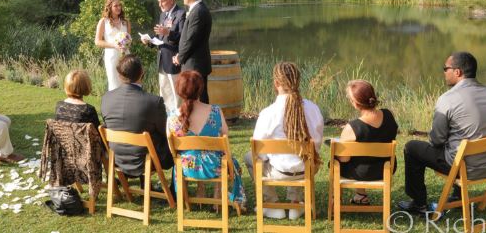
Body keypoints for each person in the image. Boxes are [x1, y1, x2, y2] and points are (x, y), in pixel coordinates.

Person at [398, 52, 486, 215]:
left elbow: (436, 140)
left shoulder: (448, 99)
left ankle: (418, 203)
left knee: (412, 147)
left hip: (464, 167)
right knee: (460, 143)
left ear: (457, 72)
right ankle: (456, 196)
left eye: (445, 68)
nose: (444, 73)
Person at [244, 61, 324, 220]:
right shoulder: (313, 108)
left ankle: (272, 203)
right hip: (306, 170)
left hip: (278, 172)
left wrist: (269, 157)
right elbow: (318, 143)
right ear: (298, 81)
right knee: (302, 158)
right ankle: (296, 203)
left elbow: (258, 150)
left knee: (249, 157)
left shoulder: (268, 113)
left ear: (276, 83)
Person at [167, 71, 246, 207]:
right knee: (225, 158)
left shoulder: (172, 117)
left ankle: (202, 189)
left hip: (186, 167)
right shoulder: (215, 111)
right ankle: (218, 192)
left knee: (197, 154)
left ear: (179, 90)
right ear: (200, 89)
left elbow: (172, 149)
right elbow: (225, 137)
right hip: (214, 166)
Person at [101, 55, 173, 179]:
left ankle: (145, 184)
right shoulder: (154, 102)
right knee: (170, 140)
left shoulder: (107, 98)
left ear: (119, 75)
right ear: (142, 73)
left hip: (116, 158)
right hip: (145, 161)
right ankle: (174, 190)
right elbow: (165, 132)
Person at [335, 80, 398, 205]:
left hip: (362, 173)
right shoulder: (389, 114)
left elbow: (344, 159)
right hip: (386, 167)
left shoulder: (352, 127)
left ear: (356, 104)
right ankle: (361, 195)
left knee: (335, 162)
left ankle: (334, 199)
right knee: (362, 157)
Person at [142, 0, 185, 112]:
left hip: (174, 59)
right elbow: (160, 37)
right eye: (159, 2)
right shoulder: (163, 14)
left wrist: (169, 33)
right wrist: (149, 41)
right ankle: (167, 118)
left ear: (171, 0)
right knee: (164, 91)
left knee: (177, 93)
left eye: (162, 1)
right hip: (162, 59)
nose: (160, 4)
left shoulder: (181, 13)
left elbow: (184, 37)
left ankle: (179, 119)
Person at [173, 0, 212, 104]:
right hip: (194, 62)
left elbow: (191, 39)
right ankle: (197, 122)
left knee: (198, 99)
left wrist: (180, 57)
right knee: (195, 99)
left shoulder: (198, 12)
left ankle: (201, 122)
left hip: (195, 64)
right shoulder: (197, 10)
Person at [95, 0, 131, 91]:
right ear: (109, 7)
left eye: (120, 5)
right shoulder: (103, 22)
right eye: (116, 6)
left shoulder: (126, 22)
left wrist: (127, 43)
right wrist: (114, 45)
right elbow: (97, 41)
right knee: (114, 84)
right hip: (112, 56)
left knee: (127, 83)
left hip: (125, 55)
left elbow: (129, 39)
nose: (119, 8)